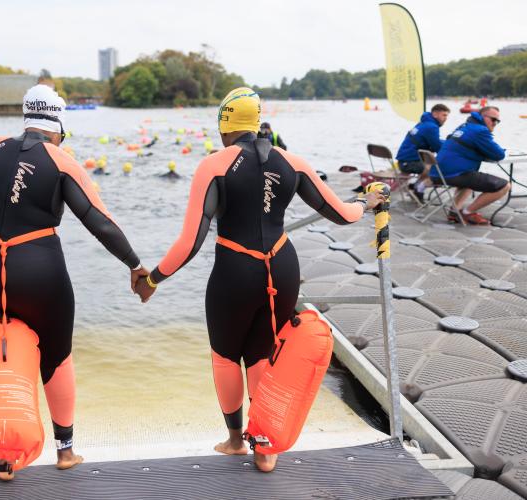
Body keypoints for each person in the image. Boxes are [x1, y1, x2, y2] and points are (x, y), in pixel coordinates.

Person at [133, 88, 384, 472]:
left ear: (224, 124)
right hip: (282, 267)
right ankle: (265, 449)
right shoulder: (291, 161)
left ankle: (235, 441)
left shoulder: (213, 166)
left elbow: (190, 242)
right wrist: (367, 201)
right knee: (265, 351)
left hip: (235, 270)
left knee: (225, 356)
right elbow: (343, 214)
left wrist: (153, 280)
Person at [0, 84, 147, 475]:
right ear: (57, 122)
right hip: (38, 270)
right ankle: (65, 451)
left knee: (2, 349)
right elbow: (99, 222)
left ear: (26, 117)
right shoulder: (61, 160)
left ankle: (3, 453)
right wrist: (135, 264)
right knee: (56, 356)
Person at [430, 106, 508, 225]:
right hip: (452, 174)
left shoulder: (464, 126)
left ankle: (454, 212)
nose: (495, 123)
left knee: (469, 182)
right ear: (483, 117)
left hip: (437, 172)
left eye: (497, 121)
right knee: (505, 186)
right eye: (493, 119)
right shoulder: (480, 131)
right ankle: (467, 212)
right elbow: (499, 154)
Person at [395, 104, 450, 199]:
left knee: (431, 163)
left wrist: (445, 143)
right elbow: (438, 147)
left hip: (403, 162)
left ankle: (415, 186)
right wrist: (452, 147)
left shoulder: (423, 123)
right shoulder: (432, 127)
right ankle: (418, 189)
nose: (446, 118)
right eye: (444, 115)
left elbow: (432, 142)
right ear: (435, 114)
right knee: (440, 169)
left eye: (447, 116)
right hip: (409, 163)